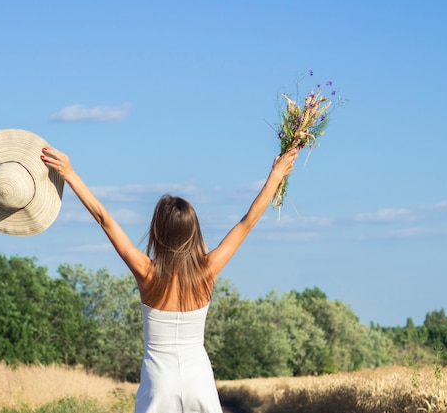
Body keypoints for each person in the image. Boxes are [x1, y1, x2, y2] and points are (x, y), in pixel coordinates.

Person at [41, 147, 299, 413]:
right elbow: (248, 222)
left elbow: (104, 220)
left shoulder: (147, 272)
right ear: (193, 232)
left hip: (159, 379)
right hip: (197, 377)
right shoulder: (207, 270)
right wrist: (276, 175)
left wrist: (70, 174)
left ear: (157, 231)